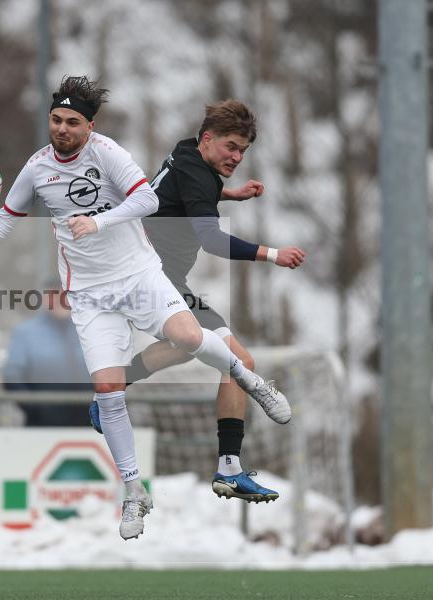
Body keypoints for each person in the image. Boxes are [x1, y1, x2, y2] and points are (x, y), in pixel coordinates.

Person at [0, 75, 288, 540]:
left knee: (191, 338)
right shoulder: (37, 170)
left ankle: (249, 379)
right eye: (55, 120)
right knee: (108, 393)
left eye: (72, 122)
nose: (62, 129)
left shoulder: (108, 153)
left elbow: (147, 197)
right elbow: (2, 222)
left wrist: (98, 222)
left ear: (89, 125)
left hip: (138, 273)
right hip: (91, 295)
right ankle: (134, 492)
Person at [120, 99, 306, 503]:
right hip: (151, 280)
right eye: (231, 148)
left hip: (159, 276)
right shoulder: (199, 175)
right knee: (237, 362)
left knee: (191, 350)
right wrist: (272, 254)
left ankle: (114, 386)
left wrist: (230, 195)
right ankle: (230, 469)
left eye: (243, 151)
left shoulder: (188, 152)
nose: (237, 157)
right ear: (209, 139)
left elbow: (180, 195)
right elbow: (212, 239)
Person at [2, 280, 93, 426]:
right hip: (43, 422)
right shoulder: (26, 333)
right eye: (53, 295)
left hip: (89, 420)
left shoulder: (89, 330)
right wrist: (35, 408)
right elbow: (12, 377)